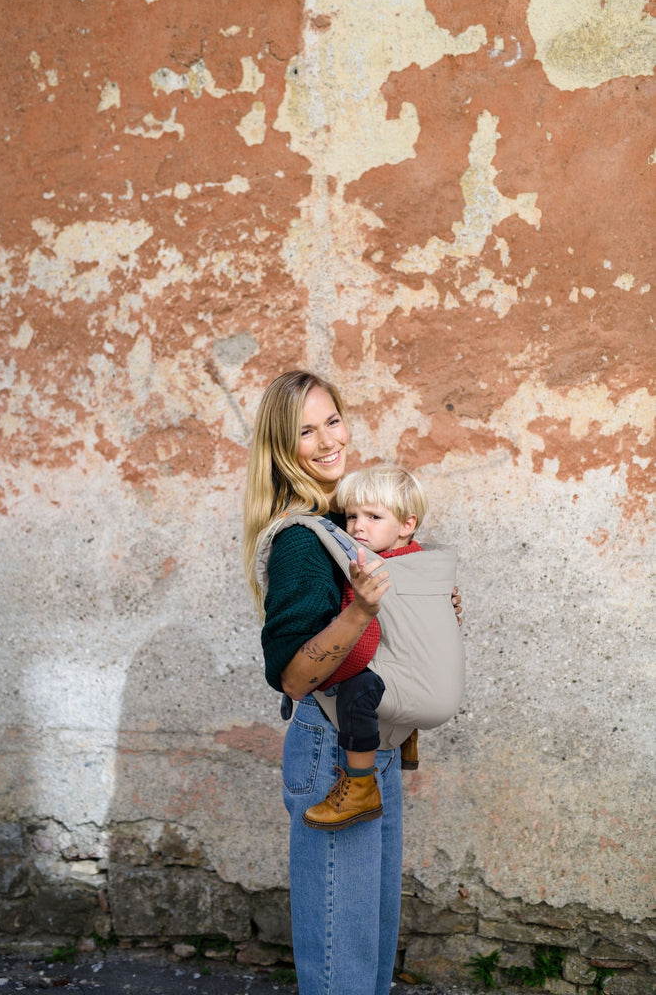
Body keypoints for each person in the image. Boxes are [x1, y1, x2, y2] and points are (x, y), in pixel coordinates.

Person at [243, 370, 461, 995]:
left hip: (371, 747)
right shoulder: (299, 542)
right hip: (332, 751)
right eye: (305, 431)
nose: (327, 440)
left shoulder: (345, 522)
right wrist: (362, 612)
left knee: (368, 949)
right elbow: (292, 674)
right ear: (283, 447)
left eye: (332, 420)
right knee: (342, 956)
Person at [302, 464, 429, 832]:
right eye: (352, 516)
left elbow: (363, 643)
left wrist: (324, 677)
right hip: (418, 673)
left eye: (373, 516)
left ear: (406, 525)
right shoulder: (419, 559)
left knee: (356, 689)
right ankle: (407, 738)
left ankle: (359, 784)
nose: (358, 527)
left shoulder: (371, 568)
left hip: (395, 677)